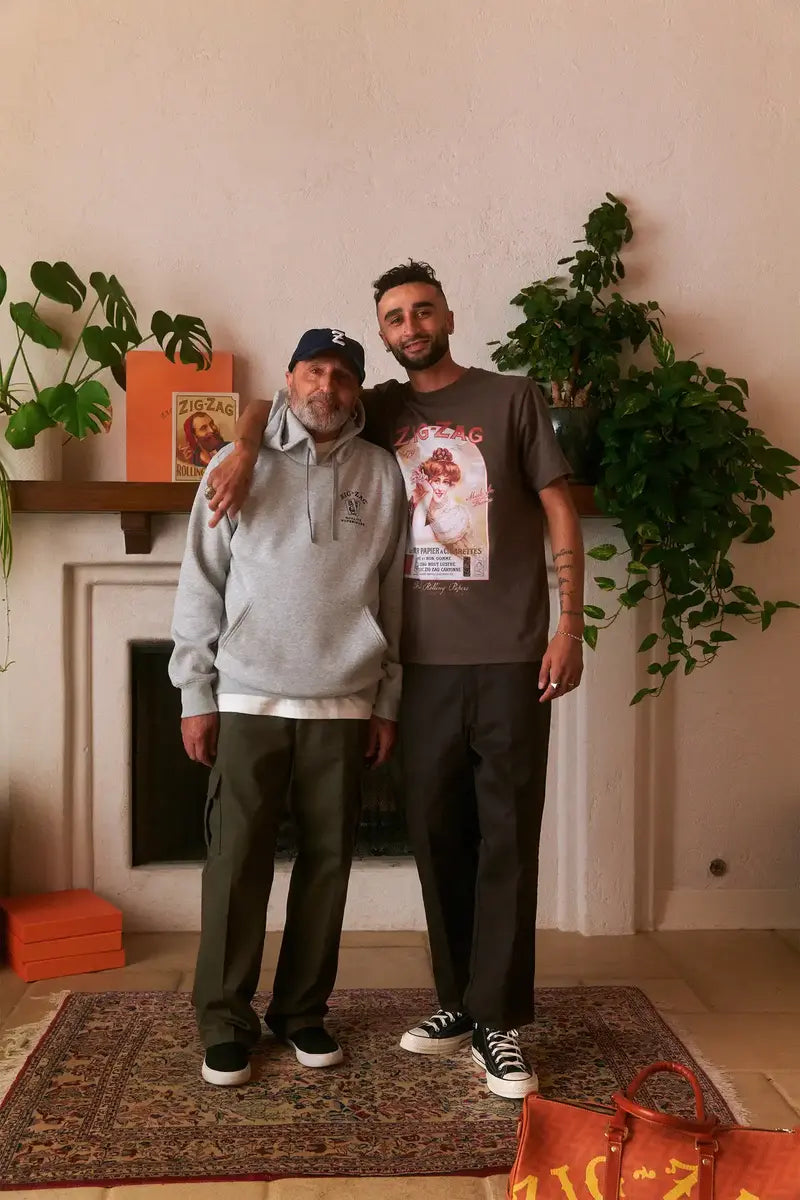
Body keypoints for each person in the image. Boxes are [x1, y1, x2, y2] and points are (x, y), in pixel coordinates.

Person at [205, 264, 585, 1100]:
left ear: (448, 313)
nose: (410, 325)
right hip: (416, 669)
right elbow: (280, 400)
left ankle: (502, 1022)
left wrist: (568, 623)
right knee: (436, 836)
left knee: (507, 838)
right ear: (383, 333)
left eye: (421, 311)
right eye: (394, 317)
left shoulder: (513, 397)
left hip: (512, 653)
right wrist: (238, 446)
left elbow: (559, 503)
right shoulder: (377, 405)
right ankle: (459, 1003)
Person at [170, 328, 406, 1087]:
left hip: (343, 699)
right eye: (314, 370)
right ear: (291, 377)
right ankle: (224, 1018)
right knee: (235, 864)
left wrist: (388, 698)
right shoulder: (235, 465)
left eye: (342, 374)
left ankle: (302, 1011)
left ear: (357, 390)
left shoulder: (382, 474)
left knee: (329, 866)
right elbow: (200, 584)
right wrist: (195, 691)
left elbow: (392, 597)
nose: (327, 386)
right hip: (245, 695)